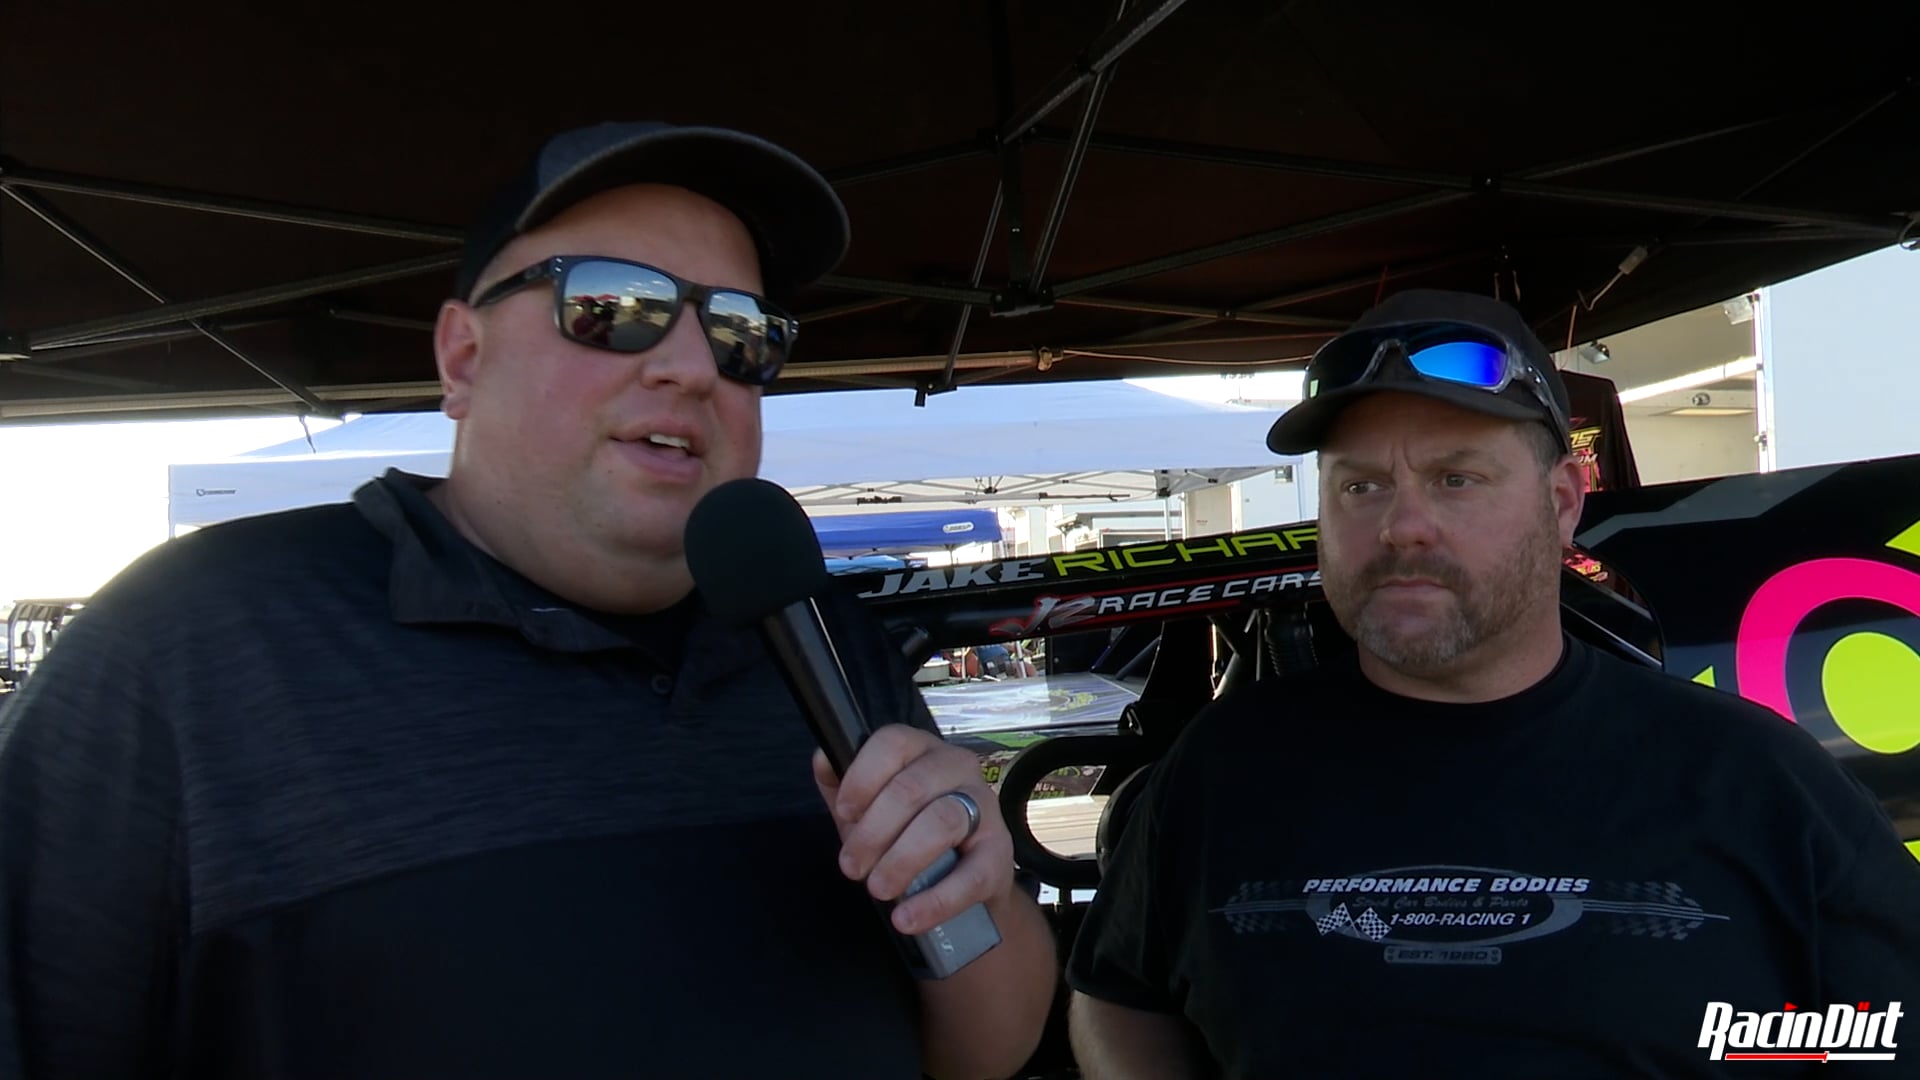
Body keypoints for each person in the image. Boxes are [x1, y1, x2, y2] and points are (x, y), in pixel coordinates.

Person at [0, 122, 1056, 1079]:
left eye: (742, 333)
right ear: (462, 357)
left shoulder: (826, 643)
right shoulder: (191, 648)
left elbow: (983, 1052)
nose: (694, 364)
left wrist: (977, 886)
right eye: (614, 306)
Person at [1063, 288, 1920, 1078]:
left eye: (1455, 479)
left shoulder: (1754, 775)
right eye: (1360, 485)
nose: (1403, 526)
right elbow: (1117, 999)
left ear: (1561, 503)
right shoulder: (1221, 767)